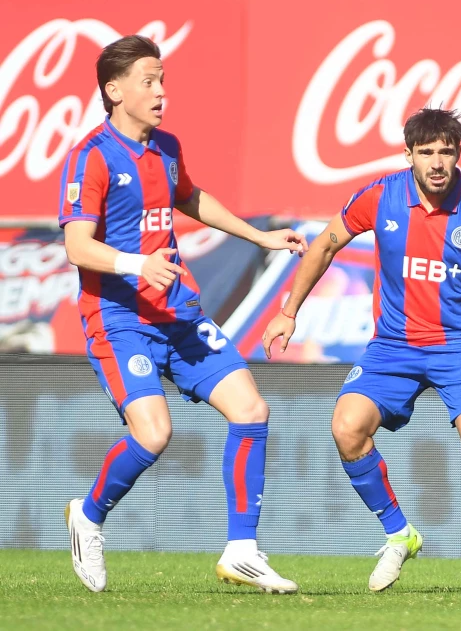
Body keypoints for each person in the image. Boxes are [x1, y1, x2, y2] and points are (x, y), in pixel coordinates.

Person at [60, 35, 306, 594]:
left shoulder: (166, 147)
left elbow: (190, 197)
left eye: (163, 79)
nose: (161, 91)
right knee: (154, 434)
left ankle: (242, 551)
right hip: (120, 319)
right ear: (113, 90)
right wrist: (134, 263)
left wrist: (259, 235)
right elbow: (78, 246)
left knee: (251, 409)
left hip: (177, 314)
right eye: (148, 81)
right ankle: (89, 517)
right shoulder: (90, 156)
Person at [261, 108, 461, 596]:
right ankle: (398, 532)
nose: (436, 162)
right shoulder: (382, 194)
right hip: (392, 346)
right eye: (426, 152)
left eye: (445, 152)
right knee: (346, 427)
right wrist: (289, 310)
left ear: (458, 155)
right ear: (408, 154)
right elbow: (324, 245)